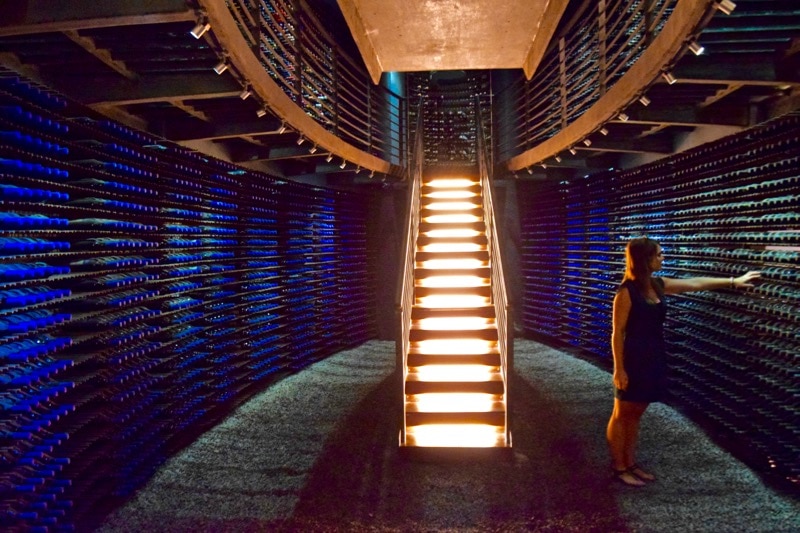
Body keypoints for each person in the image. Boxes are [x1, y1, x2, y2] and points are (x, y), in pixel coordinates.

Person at [606, 236, 760, 487]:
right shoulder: (626, 292)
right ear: (645, 259)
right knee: (621, 413)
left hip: (654, 354)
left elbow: (694, 283)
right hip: (633, 357)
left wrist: (733, 281)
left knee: (636, 414)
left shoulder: (657, 284)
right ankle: (618, 467)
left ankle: (631, 463)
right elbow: (617, 332)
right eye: (658, 254)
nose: (662, 258)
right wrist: (619, 369)